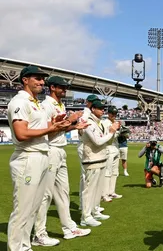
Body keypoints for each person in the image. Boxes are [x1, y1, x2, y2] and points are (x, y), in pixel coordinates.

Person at [6, 66, 70, 251]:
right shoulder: (20, 102)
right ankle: (16, 248)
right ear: (25, 80)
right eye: (37, 78)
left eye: (43, 79)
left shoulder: (36, 104)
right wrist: (50, 129)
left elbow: (45, 132)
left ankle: (25, 246)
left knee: (33, 208)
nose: (42, 82)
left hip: (41, 155)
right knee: (23, 209)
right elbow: (21, 133)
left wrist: (58, 125)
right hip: (28, 158)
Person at [32, 76, 91, 246]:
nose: (64, 90)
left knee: (63, 192)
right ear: (52, 87)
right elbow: (48, 132)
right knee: (46, 195)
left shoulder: (60, 105)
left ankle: (69, 228)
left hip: (60, 150)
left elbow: (59, 129)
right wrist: (71, 120)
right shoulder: (46, 106)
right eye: (61, 87)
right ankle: (39, 234)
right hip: (50, 150)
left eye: (65, 87)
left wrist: (74, 126)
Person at [80, 100, 120, 227]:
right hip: (92, 159)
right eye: (100, 108)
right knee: (89, 189)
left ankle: (94, 211)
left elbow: (106, 142)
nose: (103, 110)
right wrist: (111, 132)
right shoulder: (89, 122)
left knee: (97, 189)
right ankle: (85, 217)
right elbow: (97, 141)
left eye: (104, 108)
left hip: (101, 158)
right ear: (93, 109)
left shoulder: (98, 123)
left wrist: (111, 133)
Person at [77, 94, 99, 208]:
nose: (95, 104)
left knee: (93, 175)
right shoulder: (85, 114)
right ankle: (84, 204)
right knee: (86, 176)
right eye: (93, 102)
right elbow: (81, 129)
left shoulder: (92, 114)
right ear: (88, 103)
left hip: (91, 146)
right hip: (85, 145)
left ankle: (92, 203)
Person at [102, 106, 123, 200]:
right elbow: (107, 136)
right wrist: (116, 132)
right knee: (107, 172)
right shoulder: (105, 123)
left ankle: (111, 192)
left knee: (115, 172)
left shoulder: (115, 123)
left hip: (115, 148)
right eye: (112, 114)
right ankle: (104, 194)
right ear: (108, 114)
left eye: (115, 114)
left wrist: (121, 132)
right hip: (108, 148)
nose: (114, 115)